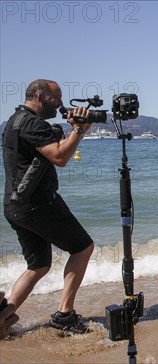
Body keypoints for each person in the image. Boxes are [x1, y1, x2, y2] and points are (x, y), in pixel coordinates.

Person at [2, 79, 95, 334]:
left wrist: (74, 129)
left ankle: (3, 317)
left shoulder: (14, 121)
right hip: (37, 203)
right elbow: (60, 156)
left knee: (39, 265)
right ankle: (65, 314)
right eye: (57, 99)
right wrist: (79, 130)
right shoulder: (32, 123)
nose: (61, 105)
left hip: (15, 204)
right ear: (41, 96)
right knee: (83, 247)